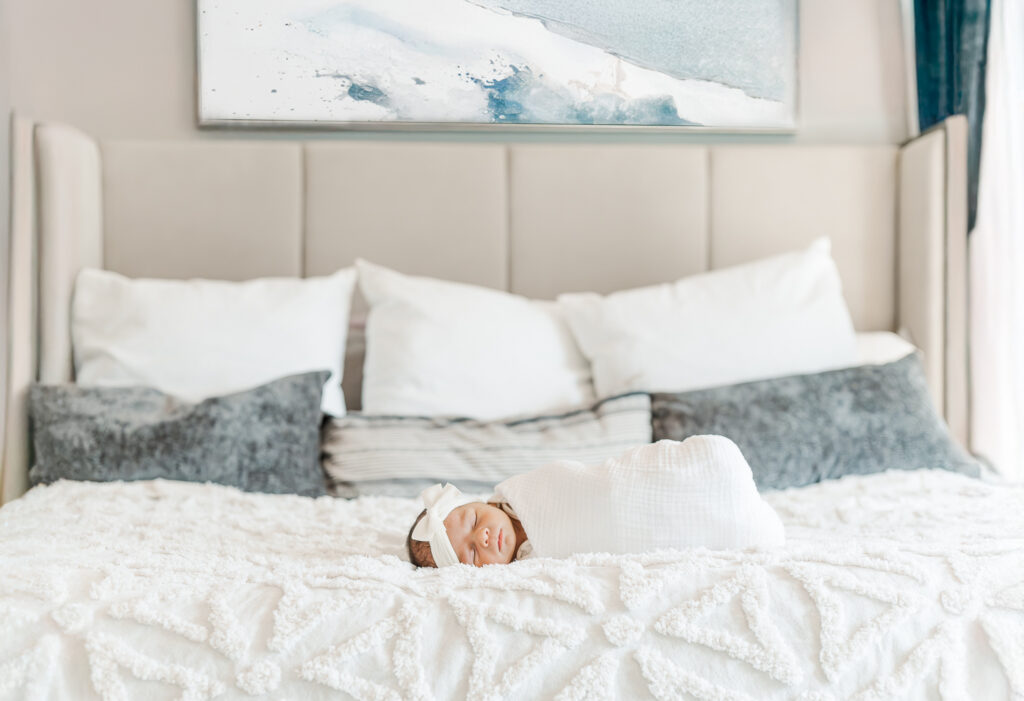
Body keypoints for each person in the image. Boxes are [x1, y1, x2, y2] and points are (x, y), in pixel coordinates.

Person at [407, 435, 785, 568]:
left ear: (480, 502)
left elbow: (598, 485)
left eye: (473, 521)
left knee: (713, 459)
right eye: (472, 554)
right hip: (636, 534)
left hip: (633, 487)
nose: (484, 538)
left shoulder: (527, 492)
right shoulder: (527, 566)